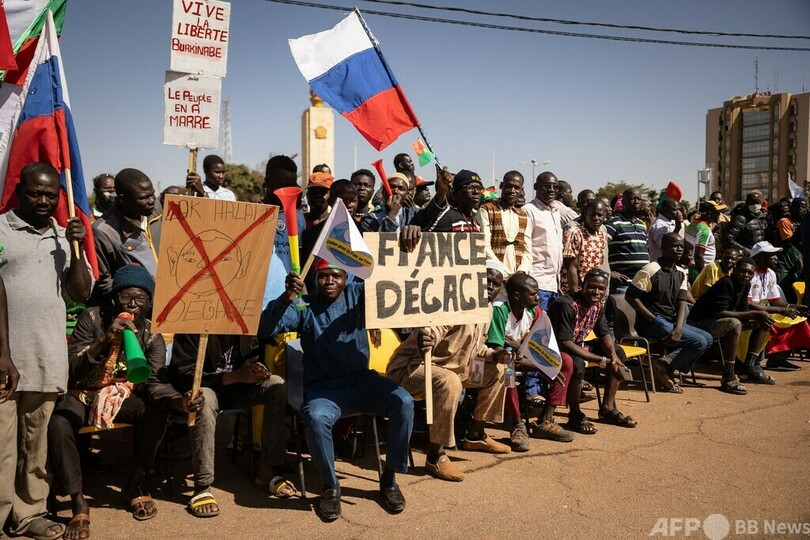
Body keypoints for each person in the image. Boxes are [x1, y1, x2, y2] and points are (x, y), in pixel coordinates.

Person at [259, 263, 414, 520]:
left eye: (336, 275)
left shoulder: (358, 295)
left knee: (404, 402)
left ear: (345, 279)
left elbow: (396, 286)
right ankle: (330, 487)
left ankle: (389, 478)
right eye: (323, 276)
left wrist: (407, 247)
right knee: (317, 419)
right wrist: (287, 296)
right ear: (315, 278)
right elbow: (265, 329)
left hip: (362, 382)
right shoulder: (303, 305)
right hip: (324, 390)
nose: (330, 281)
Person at [0, 162, 93, 540]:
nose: (42, 201)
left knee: (34, 447)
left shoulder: (62, 234)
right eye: (35, 193)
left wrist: (75, 244)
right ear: (19, 191)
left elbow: (80, 292)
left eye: (50, 195)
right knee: (2, 447)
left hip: (46, 356)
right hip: (4, 358)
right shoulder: (1, 228)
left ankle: (29, 513)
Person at [48, 265, 173, 537]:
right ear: (115, 299)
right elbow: (71, 367)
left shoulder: (151, 333)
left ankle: (135, 484)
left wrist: (178, 400)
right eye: (126, 298)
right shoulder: (92, 318)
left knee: (157, 413)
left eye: (140, 299)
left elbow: (152, 380)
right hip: (82, 392)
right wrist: (104, 340)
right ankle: (78, 501)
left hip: (120, 397)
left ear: (149, 302)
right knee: (60, 423)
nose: (133, 306)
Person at [169, 332, 290, 517]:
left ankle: (267, 469)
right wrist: (234, 377)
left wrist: (259, 370)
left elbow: (253, 356)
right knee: (204, 399)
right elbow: (183, 377)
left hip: (238, 387)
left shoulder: (245, 322)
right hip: (207, 387)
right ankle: (202, 486)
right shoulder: (193, 327)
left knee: (277, 385)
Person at [387, 320, 511, 482]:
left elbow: (476, 348)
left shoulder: (484, 309)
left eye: (493, 291)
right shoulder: (454, 304)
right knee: (449, 382)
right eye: (484, 291)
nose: (488, 292)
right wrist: (425, 339)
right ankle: (435, 455)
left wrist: (495, 355)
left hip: (454, 369)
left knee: (502, 369)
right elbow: (432, 332)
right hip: (414, 367)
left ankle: (475, 435)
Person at [548, 269, 638, 432]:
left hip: (577, 344)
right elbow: (565, 343)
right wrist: (601, 360)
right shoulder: (566, 305)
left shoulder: (598, 305)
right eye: (592, 287)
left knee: (618, 353)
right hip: (555, 349)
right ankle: (574, 414)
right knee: (578, 364)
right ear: (582, 286)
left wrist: (611, 355)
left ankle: (607, 408)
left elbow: (603, 333)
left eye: (601, 289)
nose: (596, 292)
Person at [625, 233, 711, 393]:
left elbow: (681, 302)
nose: (679, 249)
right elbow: (630, 296)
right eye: (675, 246)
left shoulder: (681, 272)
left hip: (670, 322)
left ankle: (665, 364)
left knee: (708, 339)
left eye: (681, 246)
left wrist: (678, 328)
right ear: (663, 248)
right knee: (698, 342)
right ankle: (664, 368)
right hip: (651, 323)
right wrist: (653, 319)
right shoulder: (650, 269)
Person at [687, 258, 775, 395]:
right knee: (734, 324)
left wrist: (759, 315)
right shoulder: (726, 283)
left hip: (719, 321)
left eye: (750, 273)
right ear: (734, 270)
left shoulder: (745, 285)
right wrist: (754, 313)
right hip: (699, 323)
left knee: (764, 321)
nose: (746, 275)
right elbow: (720, 312)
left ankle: (749, 367)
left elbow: (743, 308)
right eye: (743, 271)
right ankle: (728, 375)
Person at [486, 273, 538, 452]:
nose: (538, 297)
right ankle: (517, 424)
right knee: (508, 370)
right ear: (517, 296)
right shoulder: (500, 309)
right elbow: (496, 346)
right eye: (533, 294)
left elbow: (540, 344)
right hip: (495, 360)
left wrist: (520, 347)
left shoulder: (533, 310)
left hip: (519, 356)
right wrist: (520, 350)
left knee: (565, 364)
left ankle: (546, 420)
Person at [93, 168, 161, 299]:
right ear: (123, 199)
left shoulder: (156, 209)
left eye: (152, 194)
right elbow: (104, 281)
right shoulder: (104, 230)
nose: (152, 200)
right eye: (143, 198)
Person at [748, 241, 810, 372]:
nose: (776, 257)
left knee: (798, 321)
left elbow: (775, 300)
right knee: (767, 321)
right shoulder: (750, 274)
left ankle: (778, 359)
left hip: (767, 309)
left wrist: (793, 307)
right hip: (752, 312)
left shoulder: (770, 273)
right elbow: (749, 304)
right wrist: (782, 310)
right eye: (772, 255)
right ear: (759, 257)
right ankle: (753, 363)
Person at [260, 155, 306, 308]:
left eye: (291, 185)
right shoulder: (250, 214)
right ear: (267, 182)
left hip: (288, 302)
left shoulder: (299, 218)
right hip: (257, 303)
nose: (286, 190)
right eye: (281, 185)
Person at [475, 170, 532, 275]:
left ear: (521, 190)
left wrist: (521, 271)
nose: (512, 191)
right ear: (501, 186)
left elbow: (527, 249)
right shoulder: (486, 210)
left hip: (517, 276)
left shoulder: (524, 216)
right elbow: (484, 245)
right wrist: (501, 271)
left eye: (517, 188)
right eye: (509, 186)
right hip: (493, 274)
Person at [604, 189, 649, 293]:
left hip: (641, 285)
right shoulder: (613, 223)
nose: (637, 201)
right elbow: (600, 249)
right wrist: (610, 272)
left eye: (639, 199)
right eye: (633, 199)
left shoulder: (641, 225)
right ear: (624, 202)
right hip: (622, 285)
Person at [411, 168, 481, 233]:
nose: (476, 192)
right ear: (455, 192)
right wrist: (442, 191)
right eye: (471, 187)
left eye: (479, 188)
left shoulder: (475, 222)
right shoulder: (447, 218)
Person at [562, 200, 608, 294]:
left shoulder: (602, 235)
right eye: (592, 214)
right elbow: (571, 266)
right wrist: (575, 294)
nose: (596, 218)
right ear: (586, 214)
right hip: (574, 290)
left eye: (599, 215)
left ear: (605, 216)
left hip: (592, 291)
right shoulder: (574, 233)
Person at [684, 202, 721, 283]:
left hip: (692, 268)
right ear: (709, 214)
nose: (719, 215)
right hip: (699, 270)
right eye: (717, 213)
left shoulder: (693, 225)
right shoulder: (704, 230)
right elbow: (698, 256)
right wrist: (703, 275)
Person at [648, 197, 684, 262]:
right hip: (660, 266)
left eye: (678, 209)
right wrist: (677, 228)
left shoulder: (671, 222)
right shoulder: (658, 225)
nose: (678, 213)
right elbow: (665, 247)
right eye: (674, 210)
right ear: (665, 209)